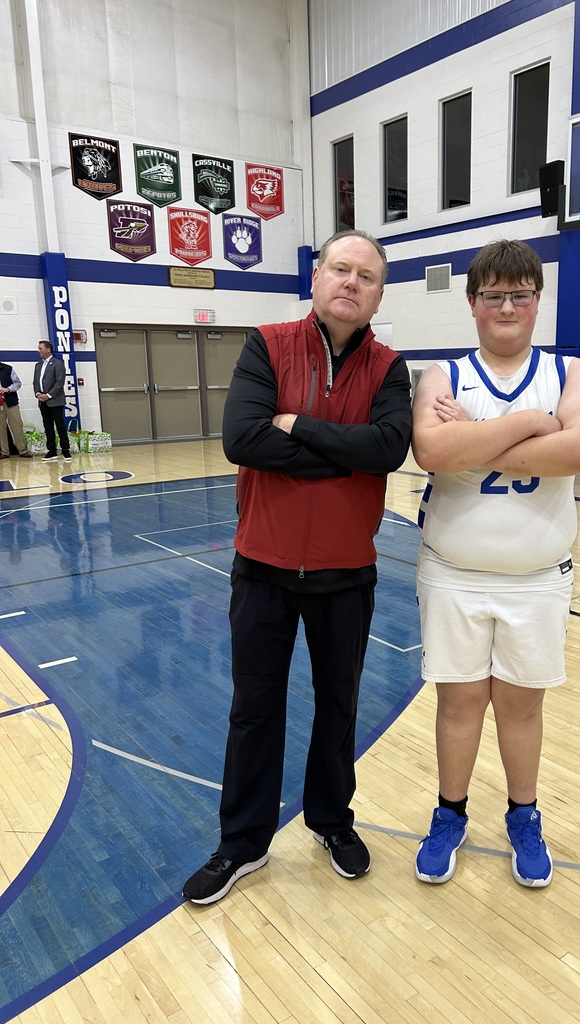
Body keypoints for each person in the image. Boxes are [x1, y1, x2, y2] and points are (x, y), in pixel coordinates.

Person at [183, 229, 412, 905]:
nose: (351, 282)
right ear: (316, 278)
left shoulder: (390, 368)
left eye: (365, 275)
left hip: (347, 572)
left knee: (338, 708)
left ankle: (331, 821)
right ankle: (242, 844)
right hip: (263, 566)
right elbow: (241, 438)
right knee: (255, 709)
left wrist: (298, 426)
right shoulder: (267, 344)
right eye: (340, 268)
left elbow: (390, 448)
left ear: (377, 294)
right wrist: (348, 451)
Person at [411, 239, 580, 888]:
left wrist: (477, 436)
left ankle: (524, 816)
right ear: (471, 304)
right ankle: (449, 814)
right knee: (459, 702)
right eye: (492, 294)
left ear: (538, 300)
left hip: (537, 578)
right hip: (452, 573)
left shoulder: (572, 373)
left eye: (519, 293)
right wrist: (532, 425)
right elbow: (433, 452)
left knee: (522, 707)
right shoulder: (444, 377)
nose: (506, 306)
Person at [33, 340, 71, 462]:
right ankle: (52, 451)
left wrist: (48, 395)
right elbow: (36, 381)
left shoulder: (58, 364)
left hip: (55, 400)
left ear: (48, 349)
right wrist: (38, 393)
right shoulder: (38, 365)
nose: (38, 350)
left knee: (60, 426)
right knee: (47, 426)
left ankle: (66, 451)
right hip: (42, 401)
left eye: (40, 348)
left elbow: (59, 383)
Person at [0, 359, 33, 459]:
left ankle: (22, 450)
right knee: (1, 429)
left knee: (17, 426)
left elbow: (17, 383)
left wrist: (8, 389)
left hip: (10, 402)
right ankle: (4, 452)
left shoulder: (7, 368)